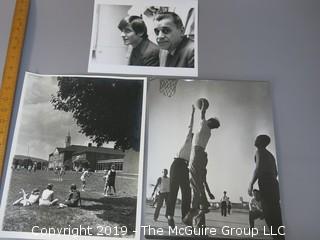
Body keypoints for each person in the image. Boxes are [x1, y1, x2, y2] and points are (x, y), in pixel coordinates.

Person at [183, 99, 220, 227]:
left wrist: (203, 107)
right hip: (201, 155)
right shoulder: (208, 132)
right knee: (197, 183)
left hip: (198, 153)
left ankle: (202, 206)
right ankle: (199, 209)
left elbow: (203, 114)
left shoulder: (205, 126)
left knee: (194, 181)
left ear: (210, 122)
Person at [248, 135, 284, 240]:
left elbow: (258, 168)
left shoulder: (260, 151)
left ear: (260, 142)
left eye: (257, 139)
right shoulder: (271, 155)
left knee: (269, 216)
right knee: (277, 216)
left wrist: (251, 183)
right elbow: (276, 173)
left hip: (266, 183)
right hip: (274, 184)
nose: (255, 140)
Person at [165, 105, 194, 228]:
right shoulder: (188, 139)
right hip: (177, 164)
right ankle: (170, 216)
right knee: (174, 191)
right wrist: (193, 112)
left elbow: (192, 163)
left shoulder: (194, 149)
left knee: (187, 192)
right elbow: (190, 126)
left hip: (184, 167)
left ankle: (185, 217)